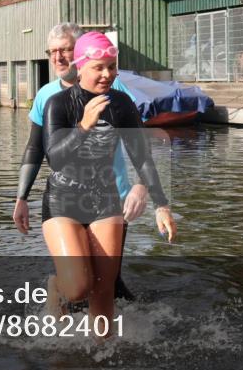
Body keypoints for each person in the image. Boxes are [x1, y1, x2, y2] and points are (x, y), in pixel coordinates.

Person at [36, 31, 176, 332]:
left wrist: (161, 205)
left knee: (103, 291)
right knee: (79, 288)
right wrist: (84, 126)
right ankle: (57, 287)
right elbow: (55, 159)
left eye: (111, 67)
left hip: (105, 198)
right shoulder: (58, 104)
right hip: (63, 200)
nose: (107, 74)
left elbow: (142, 157)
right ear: (81, 66)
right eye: (99, 67)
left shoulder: (122, 104)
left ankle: (104, 356)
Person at [14, 23, 146, 304]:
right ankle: (62, 298)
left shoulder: (111, 83)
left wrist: (141, 187)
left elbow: (138, 143)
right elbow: (36, 148)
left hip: (114, 196)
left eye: (65, 50)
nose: (58, 58)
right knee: (80, 285)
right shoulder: (47, 96)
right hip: (67, 196)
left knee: (109, 282)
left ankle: (103, 343)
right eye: (53, 52)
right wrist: (21, 197)